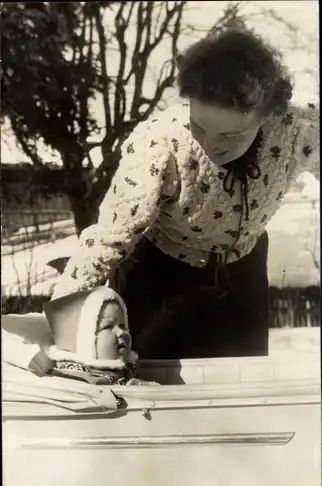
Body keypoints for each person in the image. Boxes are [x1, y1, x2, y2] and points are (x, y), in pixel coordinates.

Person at [52, 29, 319, 359]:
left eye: (232, 133)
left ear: (267, 116)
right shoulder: (158, 144)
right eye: (199, 126)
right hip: (159, 275)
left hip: (243, 272)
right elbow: (108, 238)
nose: (212, 144)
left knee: (239, 388)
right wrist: (60, 330)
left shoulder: (298, 130)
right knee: (151, 386)